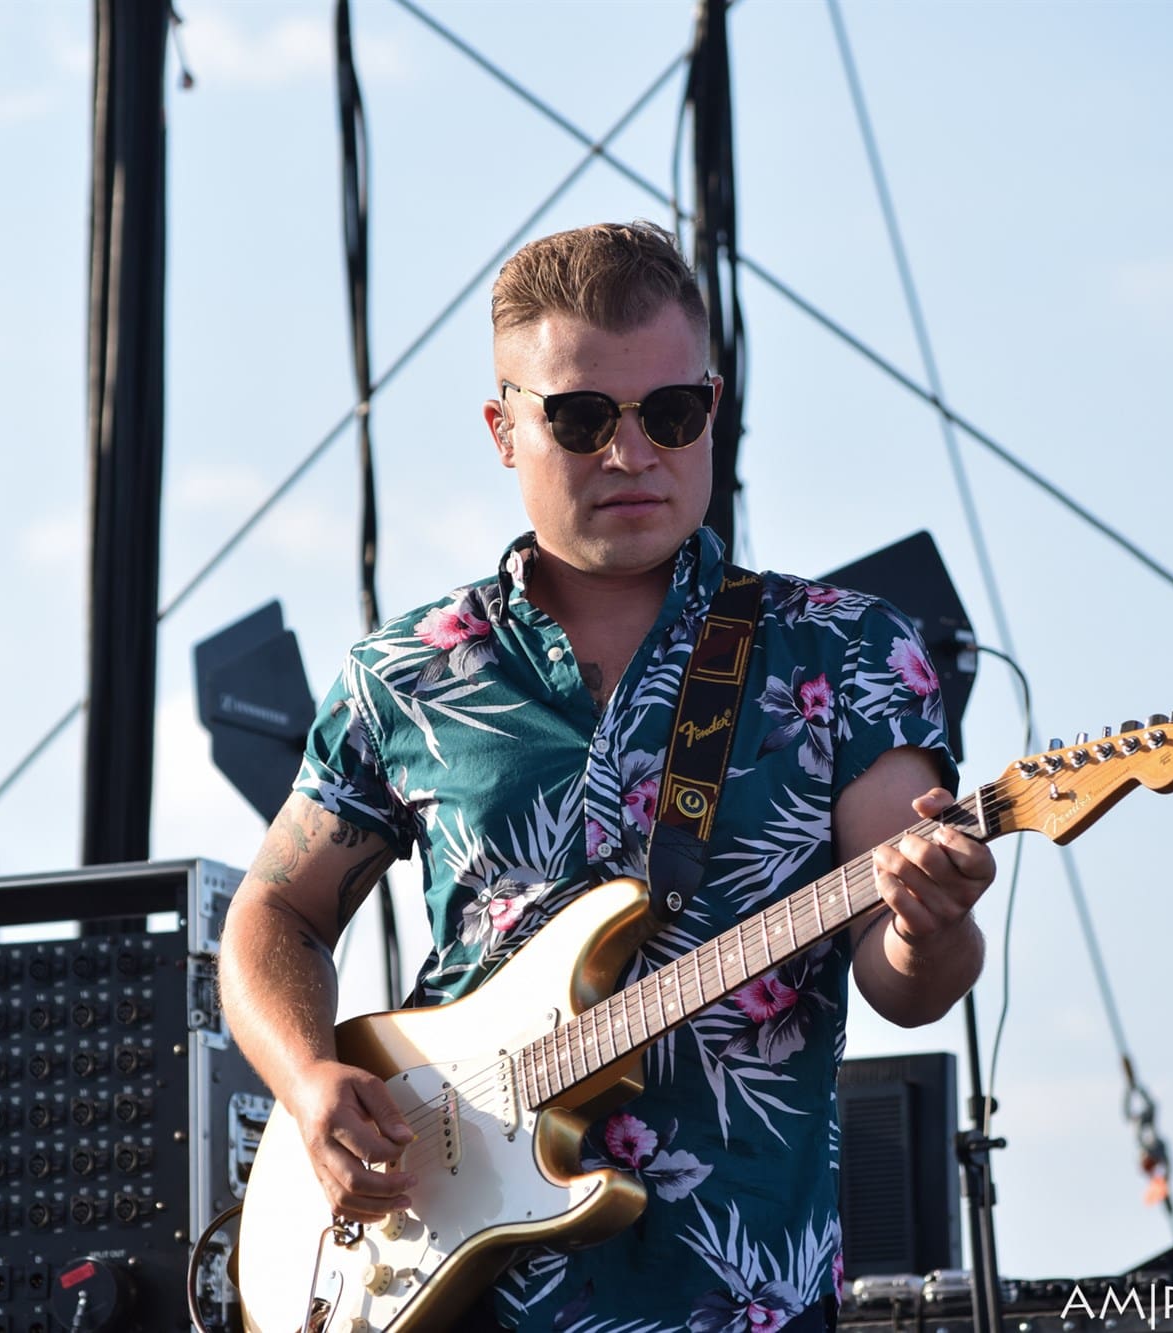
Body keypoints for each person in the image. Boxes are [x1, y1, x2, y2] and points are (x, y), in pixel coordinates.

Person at [218, 220, 995, 1332]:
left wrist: (930, 921)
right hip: (454, 1281)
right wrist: (307, 1079)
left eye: (668, 413)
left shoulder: (848, 652)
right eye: (582, 420)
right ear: (504, 430)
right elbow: (274, 913)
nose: (632, 455)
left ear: (712, 409)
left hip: (741, 1298)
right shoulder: (405, 674)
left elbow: (906, 982)